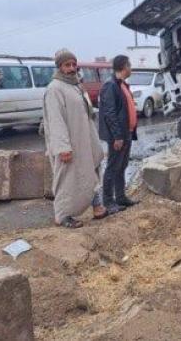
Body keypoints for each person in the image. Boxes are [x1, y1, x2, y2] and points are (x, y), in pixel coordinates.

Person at [43, 48, 111, 228]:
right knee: (67, 179)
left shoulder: (76, 85)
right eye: (67, 65)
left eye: (74, 64)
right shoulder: (55, 88)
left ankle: (97, 207)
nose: (72, 68)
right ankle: (62, 215)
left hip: (86, 140)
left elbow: (86, 113)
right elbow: (55, 120)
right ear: (59, 67)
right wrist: (63, 147)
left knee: (93, 171)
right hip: (70, 144)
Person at [98, 55, 139, 208]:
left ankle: (120, 197)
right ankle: (108, 202)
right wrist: (117, 136)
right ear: (123, 66)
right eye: (129, 65)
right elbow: (110, 113)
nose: (131, 68)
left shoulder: (122, 84)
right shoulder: (111, 86)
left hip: (126, 133)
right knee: (112, 167)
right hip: (118, 136)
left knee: (122, 166)